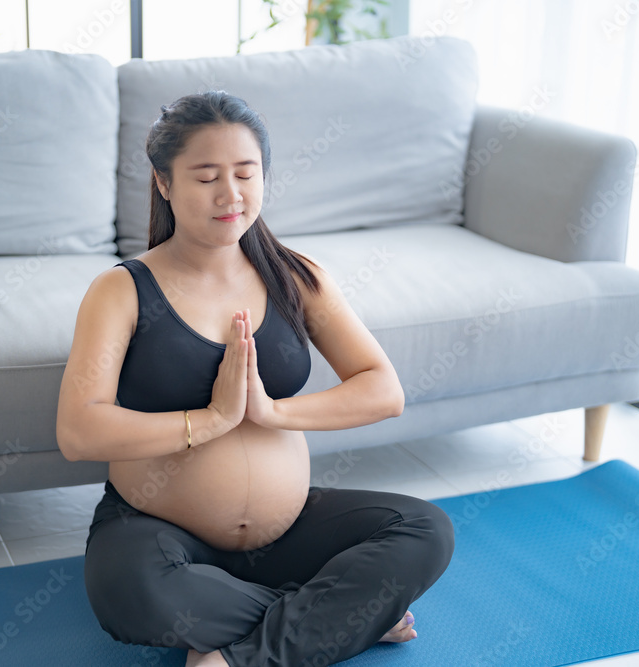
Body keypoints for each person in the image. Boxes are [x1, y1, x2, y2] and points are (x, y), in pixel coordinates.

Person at [56, 90, 455, 667]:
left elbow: (382, 389)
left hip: (288, 533)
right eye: (206, 177)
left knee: (426, 528)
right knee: (130, 591)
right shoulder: (120, 290)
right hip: (160, 532)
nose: (231, 195)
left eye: (246, 173)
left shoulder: (297, 277)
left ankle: (237, 653)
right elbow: (79, 430)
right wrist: (210, 420)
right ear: (164, 183)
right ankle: (342, 618)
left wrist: (271, 413)